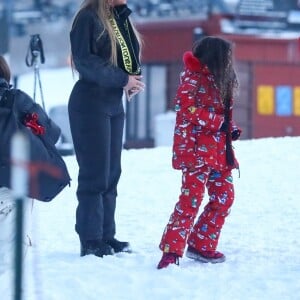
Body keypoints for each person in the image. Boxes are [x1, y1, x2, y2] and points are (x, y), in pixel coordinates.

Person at [68, 0, 145, 258]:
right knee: (95, 174)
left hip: (112, 102)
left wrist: (131, 81)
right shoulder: (88, 18)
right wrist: (123, 79)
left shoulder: (119, 18)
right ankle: (90, 239)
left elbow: (126, 57)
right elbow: (85, 61)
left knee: (112, 173)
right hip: (90, 102)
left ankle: (105, 235)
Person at [157, 36, 242, 269]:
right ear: (214, 57)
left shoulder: (221, 78)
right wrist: (218, 123)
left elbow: (221, 113)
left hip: (218, 152)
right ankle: (171, 252)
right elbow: (186, 109)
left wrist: (230, 129)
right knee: (190, 201)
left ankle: (201, 244)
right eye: (225, 57)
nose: (229, 61)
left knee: (224, 197)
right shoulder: (193, 78)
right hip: (195, 151)